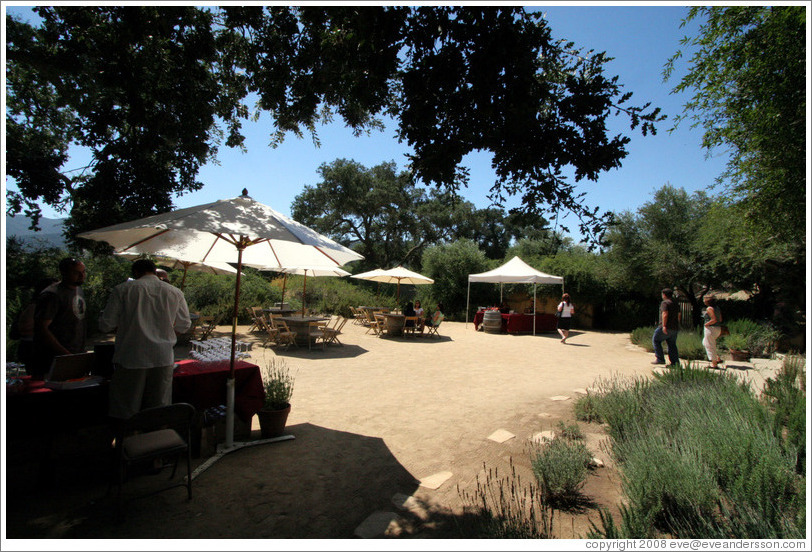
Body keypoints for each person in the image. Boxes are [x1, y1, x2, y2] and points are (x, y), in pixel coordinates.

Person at [99, 259, 192, 421]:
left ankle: (128, 441)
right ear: (154, 271)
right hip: (162, 357)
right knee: (159, 407)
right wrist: (165, 335)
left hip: (131, 356)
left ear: (135, 273)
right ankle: (154, 441)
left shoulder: (123, 290)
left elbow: (106, 325)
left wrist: (127, 328)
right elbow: (184, 325)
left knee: (127, 407)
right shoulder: (174, 292)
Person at [32, 258, 88, 379]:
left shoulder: (78, 290)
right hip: (55, 357)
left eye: (83, 272)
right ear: (64, 273)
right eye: (76, 273)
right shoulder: (52, 295)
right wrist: (65, 354)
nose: (81, 275)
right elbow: (42, 328)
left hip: (75, 353)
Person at [10, 277, 59, 377]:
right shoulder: (36, 306)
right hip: (34, 348)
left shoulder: (32, 305)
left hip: (33, 347)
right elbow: (27, 327)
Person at [652, 288, 681, 366]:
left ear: (664, 295)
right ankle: (675, 362)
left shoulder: (665, 303)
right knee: (672, 344)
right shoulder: (675, 303)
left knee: (656, 340)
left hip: (666, 326)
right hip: (674, 327)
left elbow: (665, 313)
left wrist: (664, 326)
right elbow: (679, 315)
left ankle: (660, 358)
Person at [702, 294, 724, 369]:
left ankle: (714, 364)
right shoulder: (717, 308)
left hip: (711, 328)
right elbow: (720, 319)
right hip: (718, 328)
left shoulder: (709, 308)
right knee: (705, 342)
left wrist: (706, 324)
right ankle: (717, 358)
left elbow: (713, 319)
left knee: (710, 345)